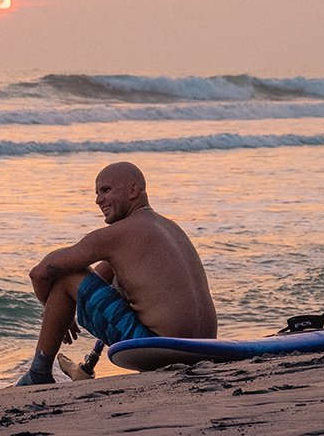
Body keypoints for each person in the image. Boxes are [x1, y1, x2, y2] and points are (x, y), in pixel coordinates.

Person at [16, 162, 217, 386]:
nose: (97, 200)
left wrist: (52, 310)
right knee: (101, 281)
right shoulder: (170, 228)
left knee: (66, 276)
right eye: (96, 193)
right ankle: (78, 367)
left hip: (161, 349)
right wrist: (58, 314)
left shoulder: (118, 234)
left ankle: (39, 373)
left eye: (106, 190)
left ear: (133, 191)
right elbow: (96, 282)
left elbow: (41, 272)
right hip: (205, 349)